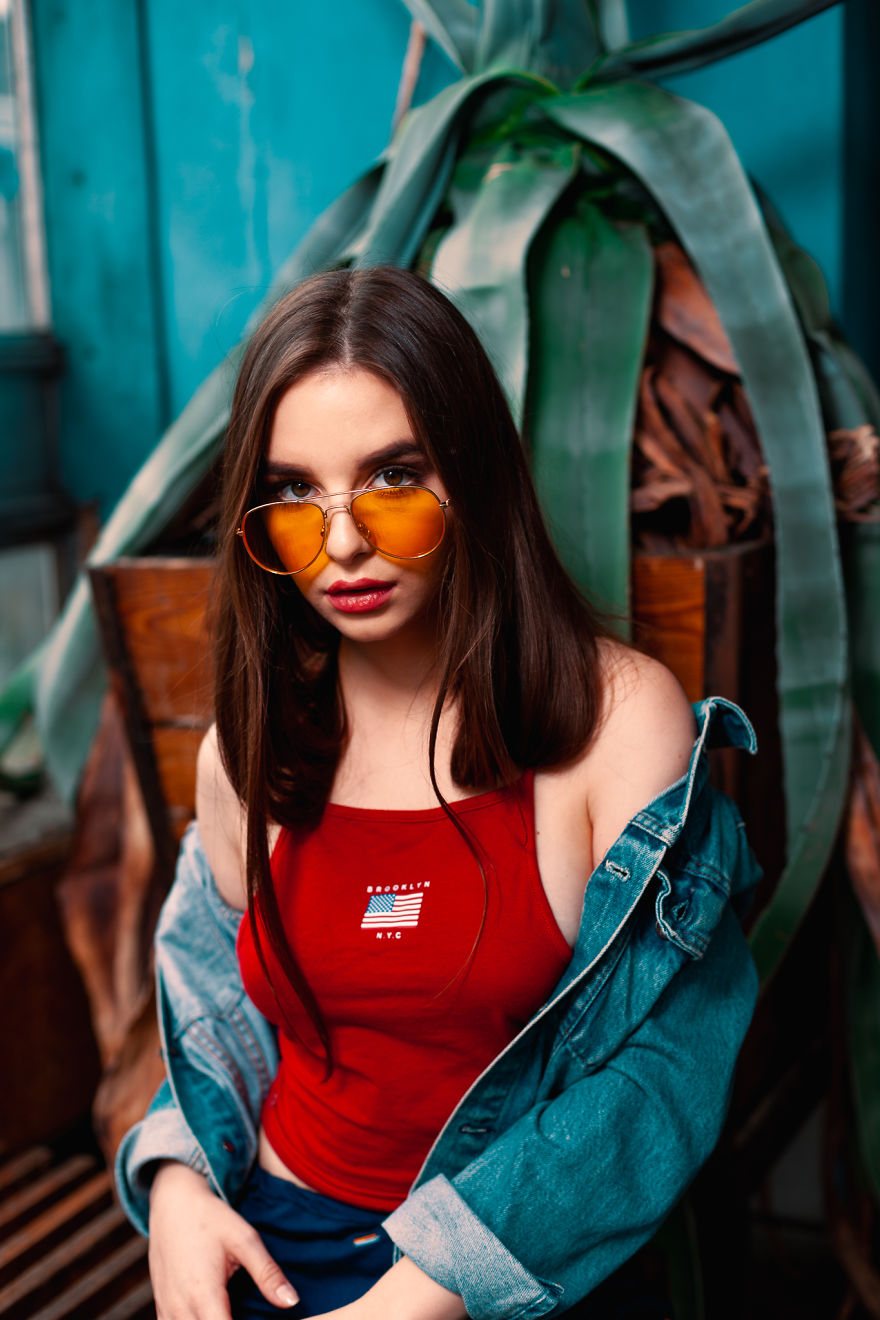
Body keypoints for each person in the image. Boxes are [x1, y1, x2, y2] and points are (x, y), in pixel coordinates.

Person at [115, 265, 761, 1320]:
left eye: (394, 477)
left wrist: (413, 1301)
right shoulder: (250, 744)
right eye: (293, 495)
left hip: (510, 1275)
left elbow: (660, 1073)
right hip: (268, 1248)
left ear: (474, 472)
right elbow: (214, 1003)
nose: (345, 544)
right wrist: (180, 1184)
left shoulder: (618, 719)